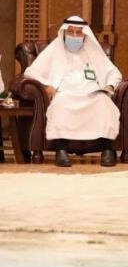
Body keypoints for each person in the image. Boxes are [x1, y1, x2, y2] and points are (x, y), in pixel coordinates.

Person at [23, 16, 122, 167]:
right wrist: (47, 85)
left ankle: (108, 149)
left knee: (104, 102)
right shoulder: (54, 50)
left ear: (85, 35)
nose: (75, 36)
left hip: (92, 93)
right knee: (60, 104)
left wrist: (110, 86)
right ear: (64, 32)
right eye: (71, 32)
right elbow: (31, 72)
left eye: (78, 32)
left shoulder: (93, 51)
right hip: (65, 93)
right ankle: (61, 150)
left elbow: (114, 73)